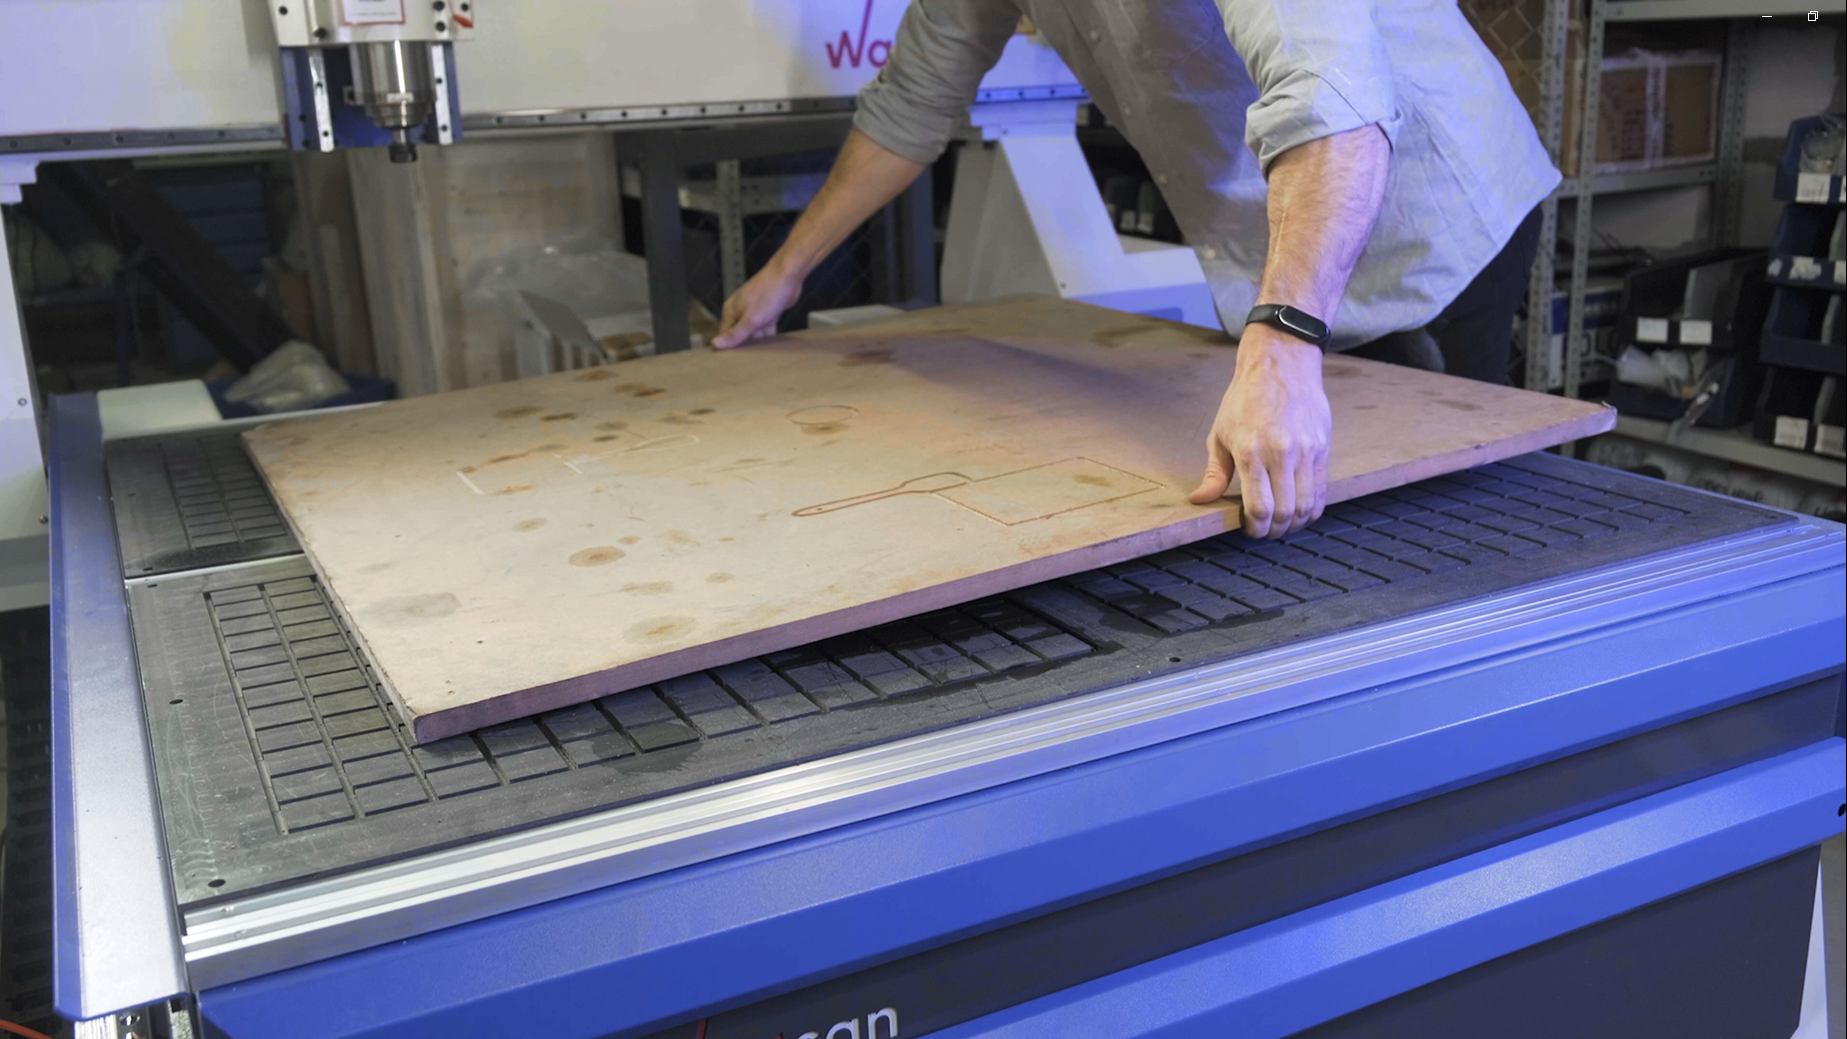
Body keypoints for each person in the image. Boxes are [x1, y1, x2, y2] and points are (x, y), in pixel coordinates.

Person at [712, 0, 1558, 540]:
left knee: (1429, 523)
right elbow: (911, 100)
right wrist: (787, 270)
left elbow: (1334, 105)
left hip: (1426, 214)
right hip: (1285, 217)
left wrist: (1281, 347)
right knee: (1295, 501)